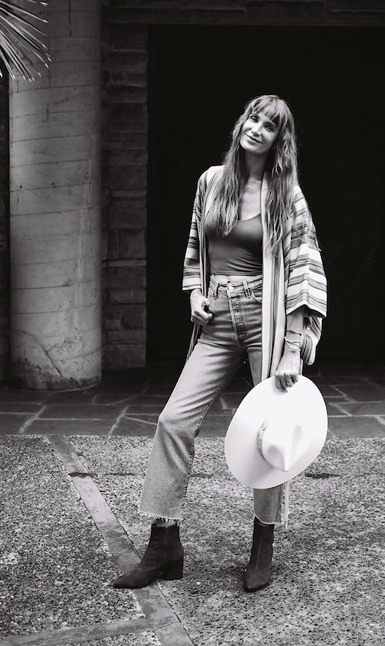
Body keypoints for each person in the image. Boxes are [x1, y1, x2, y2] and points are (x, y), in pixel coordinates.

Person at [113, 94, 327, 593]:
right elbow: (195, 244)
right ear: (241, 124)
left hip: (265, 317)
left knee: (271, 434)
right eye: (253, 118)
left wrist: (294, 343)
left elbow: (304, 264)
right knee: (173, 420)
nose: (257, 128)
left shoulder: (285, 193)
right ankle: (164, 542)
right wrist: (193, 294)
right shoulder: (211, 181)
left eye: (269, 125)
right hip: (217, 317)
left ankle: (262, 545)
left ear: (279, 140)